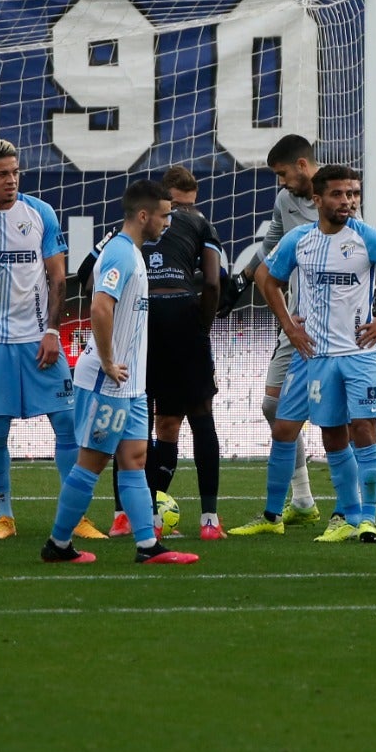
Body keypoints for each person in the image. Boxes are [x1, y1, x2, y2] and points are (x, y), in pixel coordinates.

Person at [231, 165, 376, 542]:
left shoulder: (367, 238)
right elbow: (267, 277)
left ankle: (367, 519)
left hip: (358, 353)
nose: (348, 201)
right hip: (314, 355)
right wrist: (288, 324)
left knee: (363, 430)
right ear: (317, 200)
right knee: (328, 434)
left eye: (353, 193)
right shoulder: (300, 239)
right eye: (338, 194)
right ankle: (334, 516)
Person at [42, 180, 198, 566]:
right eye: (164, 215)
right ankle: (57, 545)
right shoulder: (120, 254)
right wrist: (109, 361)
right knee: (92, 462)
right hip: (107, 381)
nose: (168, 223)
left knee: (135, 459)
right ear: (143, 216)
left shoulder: (133, 253)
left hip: (130, 384)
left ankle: (148, 546)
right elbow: (99, 307)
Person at [0, 139, 93, 543]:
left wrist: (53, 331)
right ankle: (5, 517)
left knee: (66, 424)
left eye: (15, 172)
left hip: (39, 340)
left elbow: (58, 278)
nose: (11, 180)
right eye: (2, 174)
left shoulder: (41, 213)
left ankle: (76, 517)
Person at [227, 134, 325, 525]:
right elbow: (272, 242)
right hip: (296, 322)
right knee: (273, 407)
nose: (281, 182)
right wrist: (245, 277)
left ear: (303, 165)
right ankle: (301, 499)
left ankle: (357, 513)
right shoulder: (285, 201)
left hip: (336, 327)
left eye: (283, 173)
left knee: (346, 424)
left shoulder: (338, 195)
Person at [139, 165, 226, 540]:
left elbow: (91, 274)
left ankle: (159, 517)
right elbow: (212, 282)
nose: (183, 213)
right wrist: (200, 328)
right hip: (179, 315)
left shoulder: (138, 223)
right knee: (191, 416)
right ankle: (203, 520)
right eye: (177, 206)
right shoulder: (200, 226)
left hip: (147, 321)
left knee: (160, 420)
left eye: (189, 206)